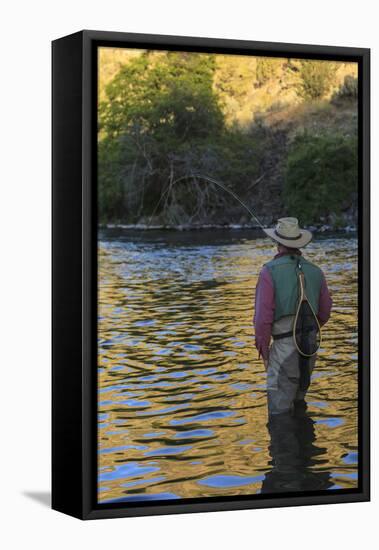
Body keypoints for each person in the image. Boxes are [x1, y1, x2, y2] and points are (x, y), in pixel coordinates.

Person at [254, 217, 332, 415]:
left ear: (278, 243)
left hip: (283, 350)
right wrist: (308, 332)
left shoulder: (268, 272)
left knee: (279, 416)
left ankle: (286, 446)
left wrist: (264, 349)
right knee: (299, 406)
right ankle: (307, 445)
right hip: (309, 347)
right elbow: (324, 312)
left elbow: (262, 319)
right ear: (298, 243)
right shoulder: (316, 272)